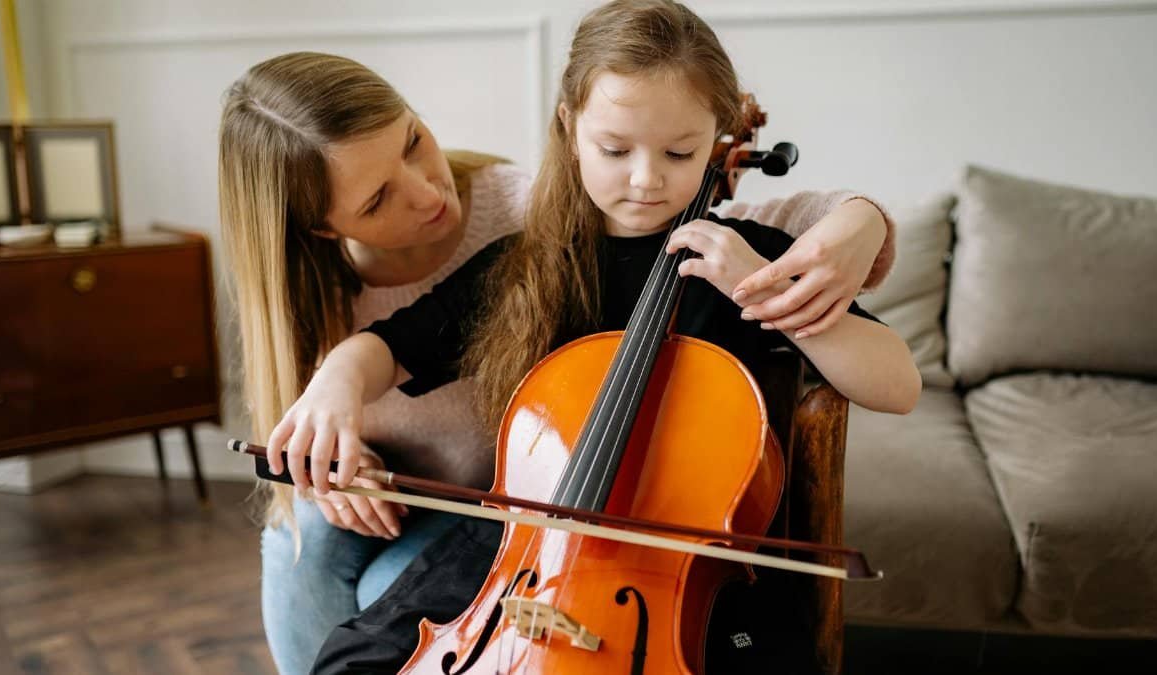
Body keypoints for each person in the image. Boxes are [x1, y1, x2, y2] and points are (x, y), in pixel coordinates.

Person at [259, 2, 920, 672]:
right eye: (615, 149)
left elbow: (898, 383)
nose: (646, 177)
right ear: (571, 128)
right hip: (517, 545)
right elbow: (388, 344)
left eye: (680, 152)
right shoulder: (523, 266)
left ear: (718, 137)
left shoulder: (743, 259)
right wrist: (337, 382)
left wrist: (768, 292)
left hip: (690, 577)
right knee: (351, 660)